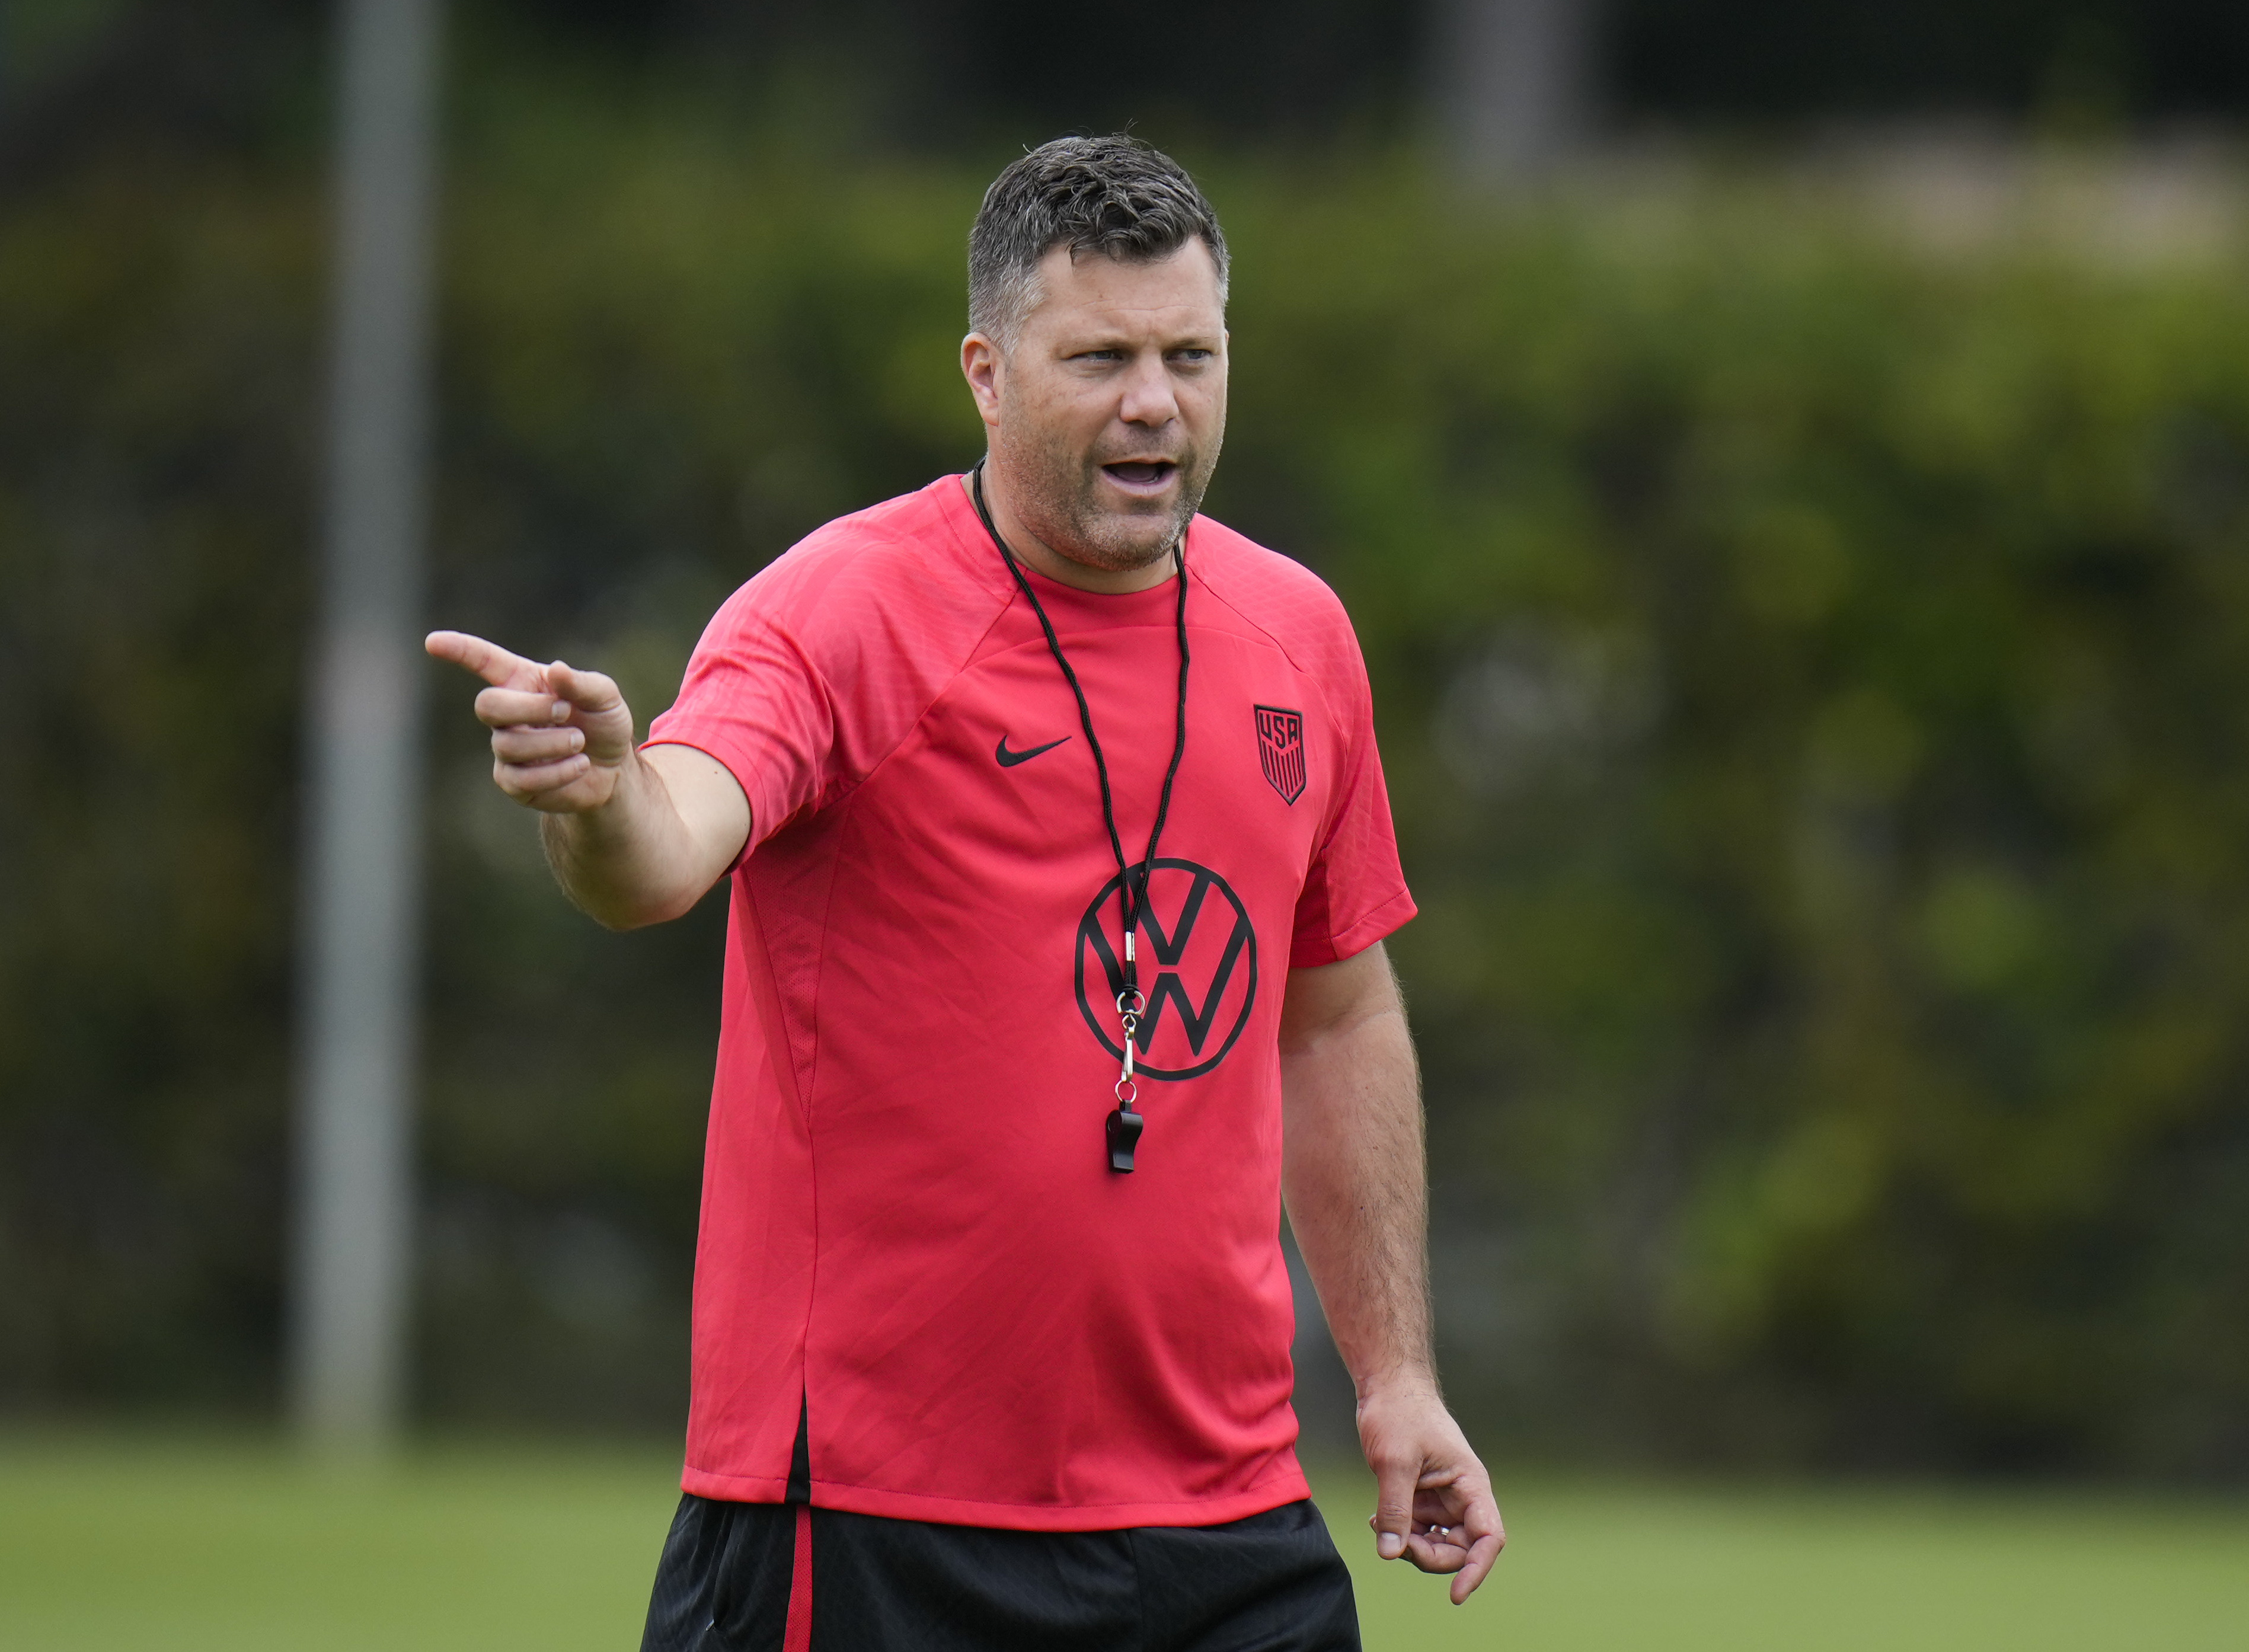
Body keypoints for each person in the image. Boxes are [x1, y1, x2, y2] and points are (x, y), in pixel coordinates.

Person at [426, 134, 1502, 1651]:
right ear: (986, 376)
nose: (1154, 402)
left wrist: (1395, 1375)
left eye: (1190, 356)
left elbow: (1332, 1016)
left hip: (1224, 1525)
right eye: (1100, 358)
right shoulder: (844, 606)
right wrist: (600, 794)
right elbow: (661, 856)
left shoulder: (1297, 635)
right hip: (868, 1522)